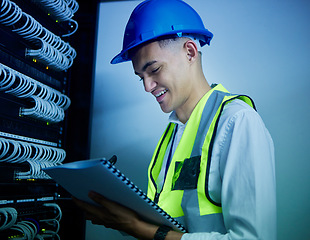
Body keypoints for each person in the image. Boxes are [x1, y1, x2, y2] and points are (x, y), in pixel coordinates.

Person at [73, 0, 277, 239]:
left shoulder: (238, 121)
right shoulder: (173, 133)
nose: (148, 87)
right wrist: (122, 217)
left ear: (190, 52)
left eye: (155, 69)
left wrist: (138, 228)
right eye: (141, 77)